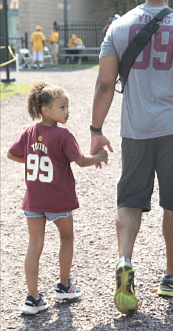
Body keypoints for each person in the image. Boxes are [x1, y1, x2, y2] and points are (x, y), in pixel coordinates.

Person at [90, 0, 173, 315]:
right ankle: (171, 275)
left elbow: (103, 85)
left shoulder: (119, 27)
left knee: (130, 199)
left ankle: (125, 259)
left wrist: (96, 131)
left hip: (134, 129)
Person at [7, 81, 108, 315]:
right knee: (66, 237)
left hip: (34, 199)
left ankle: (32, 299)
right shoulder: (63, 135)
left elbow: (12, 154)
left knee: (34, 246)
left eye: (67, 106)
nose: (67, 111)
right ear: (45, 110)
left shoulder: (30, 132)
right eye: (61, 107)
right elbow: (81, 161)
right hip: (58, 199)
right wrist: (99, 156)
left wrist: (36, 158)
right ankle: (64, 286)